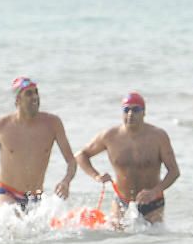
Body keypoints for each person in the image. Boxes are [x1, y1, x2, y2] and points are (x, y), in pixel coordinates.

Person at [0, 77, 76, 212]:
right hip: (6, 192)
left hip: (35, 197)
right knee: (11, 216)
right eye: (29, 94)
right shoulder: (2, 125)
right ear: (17, 100)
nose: (34, 97)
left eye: (36, 92)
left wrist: (66, 181)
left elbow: (71, 160)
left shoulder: (52, 124)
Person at [75, 92, 180, 224]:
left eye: (136, 109)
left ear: (144, 113)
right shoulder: (110, 136)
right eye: (126, 110)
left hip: (153, 201)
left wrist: (155, 191)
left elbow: (174, 172)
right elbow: (81, 155)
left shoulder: (158, 137)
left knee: (153, 240)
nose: (130, 114)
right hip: (121, 200)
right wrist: (96, 176)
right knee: (117, 240)